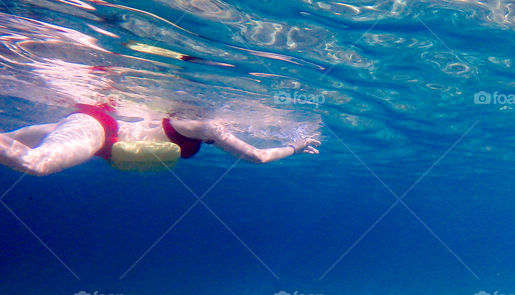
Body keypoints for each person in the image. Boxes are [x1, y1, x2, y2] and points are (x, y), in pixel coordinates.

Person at [0, 103, 321, 176]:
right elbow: (258, 157)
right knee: (36, 163)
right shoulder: (207, 125)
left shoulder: (182, 116)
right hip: (97, 129)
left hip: (94, 128)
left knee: (8, 141)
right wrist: (296, 147)